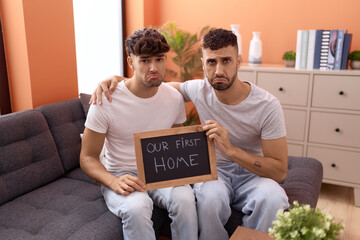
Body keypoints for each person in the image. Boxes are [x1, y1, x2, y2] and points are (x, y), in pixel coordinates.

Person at [91, 28, 289, 239]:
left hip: (253, 175)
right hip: (215, 171)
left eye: (227, 61)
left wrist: (231, 150)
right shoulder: (196, 89)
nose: (219, 70)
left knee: (274, 198)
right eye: (212, 62)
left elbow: (279, 171)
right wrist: (116, 79)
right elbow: (150, 85)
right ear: (203, 63)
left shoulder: (267, 105)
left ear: (239, 61)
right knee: (209, 197)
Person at [80, 28, 198, 240]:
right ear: (131, 62)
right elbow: (87, 158)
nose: (154, 67)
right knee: (137, 207)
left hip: (160, 170)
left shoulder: (173, 98)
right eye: (144, 60)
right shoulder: (105, 100)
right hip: (120, 174)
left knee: (186, 199)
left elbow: (175, 143)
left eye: (159, 59)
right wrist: (113, 181)